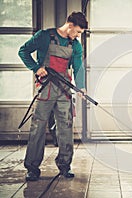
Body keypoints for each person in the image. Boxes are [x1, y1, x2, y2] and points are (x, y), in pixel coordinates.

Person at [18, 11, 88, 181]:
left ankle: (65, 165)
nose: (78, 36)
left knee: (66, 127)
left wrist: (81, 87)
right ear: (70, 25)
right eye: (78, 32)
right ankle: (32, 168)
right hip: (45, 88)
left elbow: (78, 67)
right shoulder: (44, 36)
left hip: (63, 90)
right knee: (38, 128)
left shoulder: (75, 46)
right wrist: (36, 68)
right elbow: (23, 51)